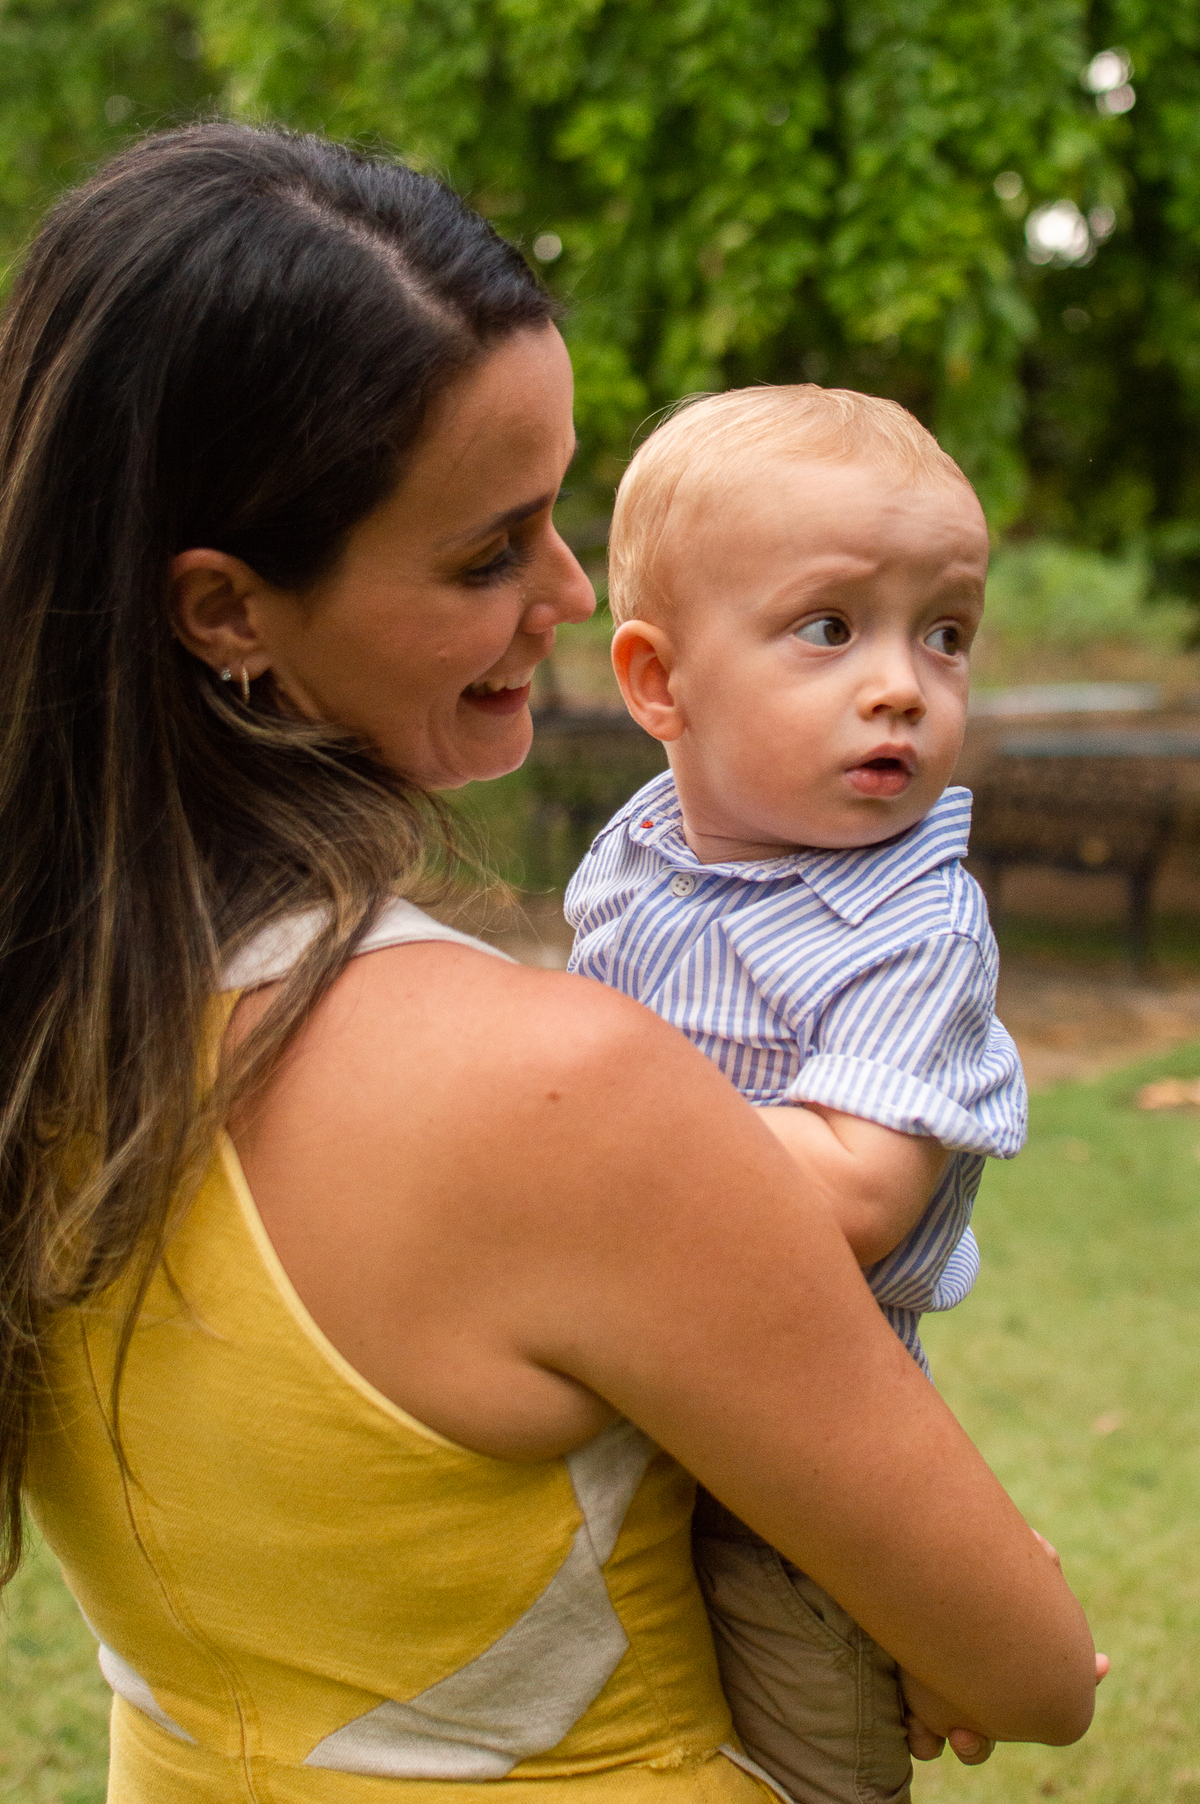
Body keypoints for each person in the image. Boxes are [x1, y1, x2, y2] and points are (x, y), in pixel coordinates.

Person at [0, 125, 1101, 1804]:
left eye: (557, 513)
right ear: (227, 610)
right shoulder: (555, 1091)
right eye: (487, 550)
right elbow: (1028, 1673)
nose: (575, 595)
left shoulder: (50, 1014)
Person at [563, 386, 1024, 1804]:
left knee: (811, 1744)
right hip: (606, 1391)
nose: (903, 682)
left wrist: (580, 1134)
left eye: (942, 634)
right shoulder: (638, 849)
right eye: (832, 628)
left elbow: (856, 1197)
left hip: (792, 1451)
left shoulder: (915, 923)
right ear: (659, 684)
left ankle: (935, 1612)